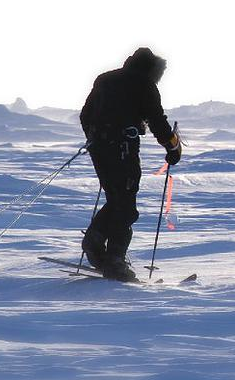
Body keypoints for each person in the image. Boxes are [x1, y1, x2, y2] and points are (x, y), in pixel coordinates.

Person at [78, 47, 183, 281]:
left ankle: (95, 242)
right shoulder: (144, 84)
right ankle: (114, 261)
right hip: (123, 147)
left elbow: (85, 114)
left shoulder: (104, 79)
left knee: (116, 198)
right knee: (125, 204)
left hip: (99, 148)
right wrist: (172, 147)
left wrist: (94, 137)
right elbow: (157, 120)